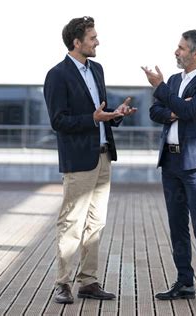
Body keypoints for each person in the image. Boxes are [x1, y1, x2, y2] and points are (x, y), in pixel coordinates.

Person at [44, 16, 136, 305]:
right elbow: (58, 121)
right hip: (79, 160)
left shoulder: (97, 70)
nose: (97, 41)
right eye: (93, 37)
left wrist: (115, 114)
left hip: (103, 156)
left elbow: (100, 113)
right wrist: (92, 119)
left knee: (96, 223)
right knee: (71, 222)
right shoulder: (57, 75)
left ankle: (88, 281)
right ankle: (63, 283)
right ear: (76, 41)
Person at [141, 29, 196, 306]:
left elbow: (191, 111)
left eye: (181, 48)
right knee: (176, 224)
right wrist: (175, 107)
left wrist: (161, 89)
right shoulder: (175, 80)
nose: (176, 52)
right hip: (172, 160)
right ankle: (185, 282)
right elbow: (155, 112)